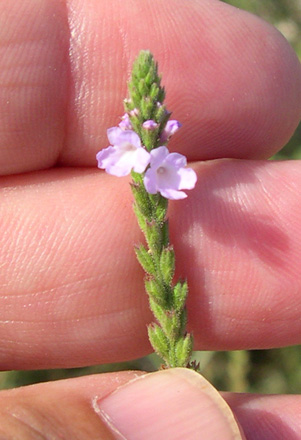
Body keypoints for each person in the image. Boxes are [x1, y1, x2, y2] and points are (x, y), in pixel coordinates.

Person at [0, 0, 300, 438]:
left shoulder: (161, 162)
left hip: (157, 172)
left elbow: (163, 176)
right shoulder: (132, 154)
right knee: (154, 235)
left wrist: (157, 165)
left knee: (158, 238)